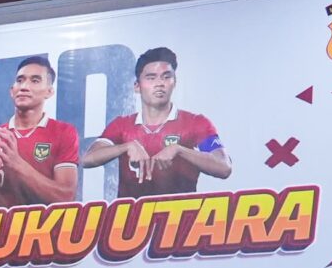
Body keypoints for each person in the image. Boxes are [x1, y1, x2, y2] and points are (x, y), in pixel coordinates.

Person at [82, 47, 230, 198]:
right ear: (137, 87)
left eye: (166, 77)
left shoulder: (196, 123)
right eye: (151, 78)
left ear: (174, 81)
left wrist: (179, 150)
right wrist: (126, 147)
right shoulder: (122, 125)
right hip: (132, 219)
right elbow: (87, 159)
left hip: (180, 218)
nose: (160, 83)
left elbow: (224, 167)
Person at [0, 55, 79, 207]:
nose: (24, 87)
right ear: (12, 91)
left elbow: (66, 197)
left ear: (49, 92)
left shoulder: (63, 132)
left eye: (35, 80)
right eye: (20, 80)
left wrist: (16, 163)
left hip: (42, 229)